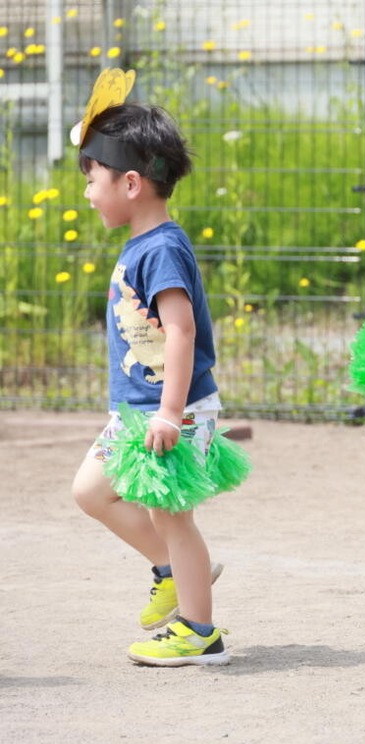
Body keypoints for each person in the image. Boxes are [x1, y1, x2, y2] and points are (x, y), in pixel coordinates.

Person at [70, 95, 230, 664]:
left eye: (92, 179)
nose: (87, 193)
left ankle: (199, 631)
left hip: (169, 410)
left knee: (172, 515)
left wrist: (169, 411)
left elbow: (181, 333)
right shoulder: (143, 245)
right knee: (91, 491)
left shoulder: (161, 248)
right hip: (136, 410)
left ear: (131, 183)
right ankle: (172, 568)